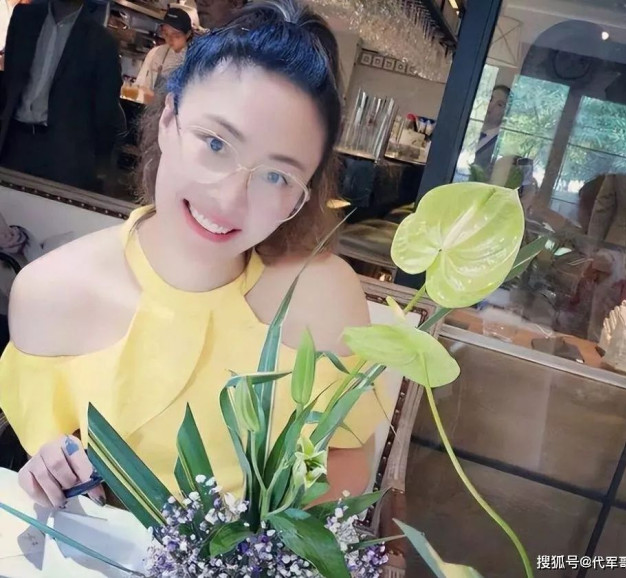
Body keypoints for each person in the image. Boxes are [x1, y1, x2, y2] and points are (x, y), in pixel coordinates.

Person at [0, 0, 388, 510]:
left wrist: (253, 540)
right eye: (216, 144)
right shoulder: (51, 292)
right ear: (168, 119)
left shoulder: (322, 296)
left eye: (276, 175)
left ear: (303, 193)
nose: (229, 199)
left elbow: (346, 455)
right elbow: (52, 462)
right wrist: (53, 471)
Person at [0, 0, 122, 191]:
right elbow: (9, 81)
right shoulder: (24, 17)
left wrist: (101, 165)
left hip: (63, 155)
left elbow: (105, 111)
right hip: (14, 140)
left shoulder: (102, 42)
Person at [135, 6, 193, 99]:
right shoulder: (155, 53)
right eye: (166, 34)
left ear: (188, 34)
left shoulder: (194, 61)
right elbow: (140, 87)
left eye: (176, 35)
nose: (170, 39)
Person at [473, 84, 511, 176]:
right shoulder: (468, 130)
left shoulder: (501, 146)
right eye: (490, 99)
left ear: (506, 113)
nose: (491, 105)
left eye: (499, 104)